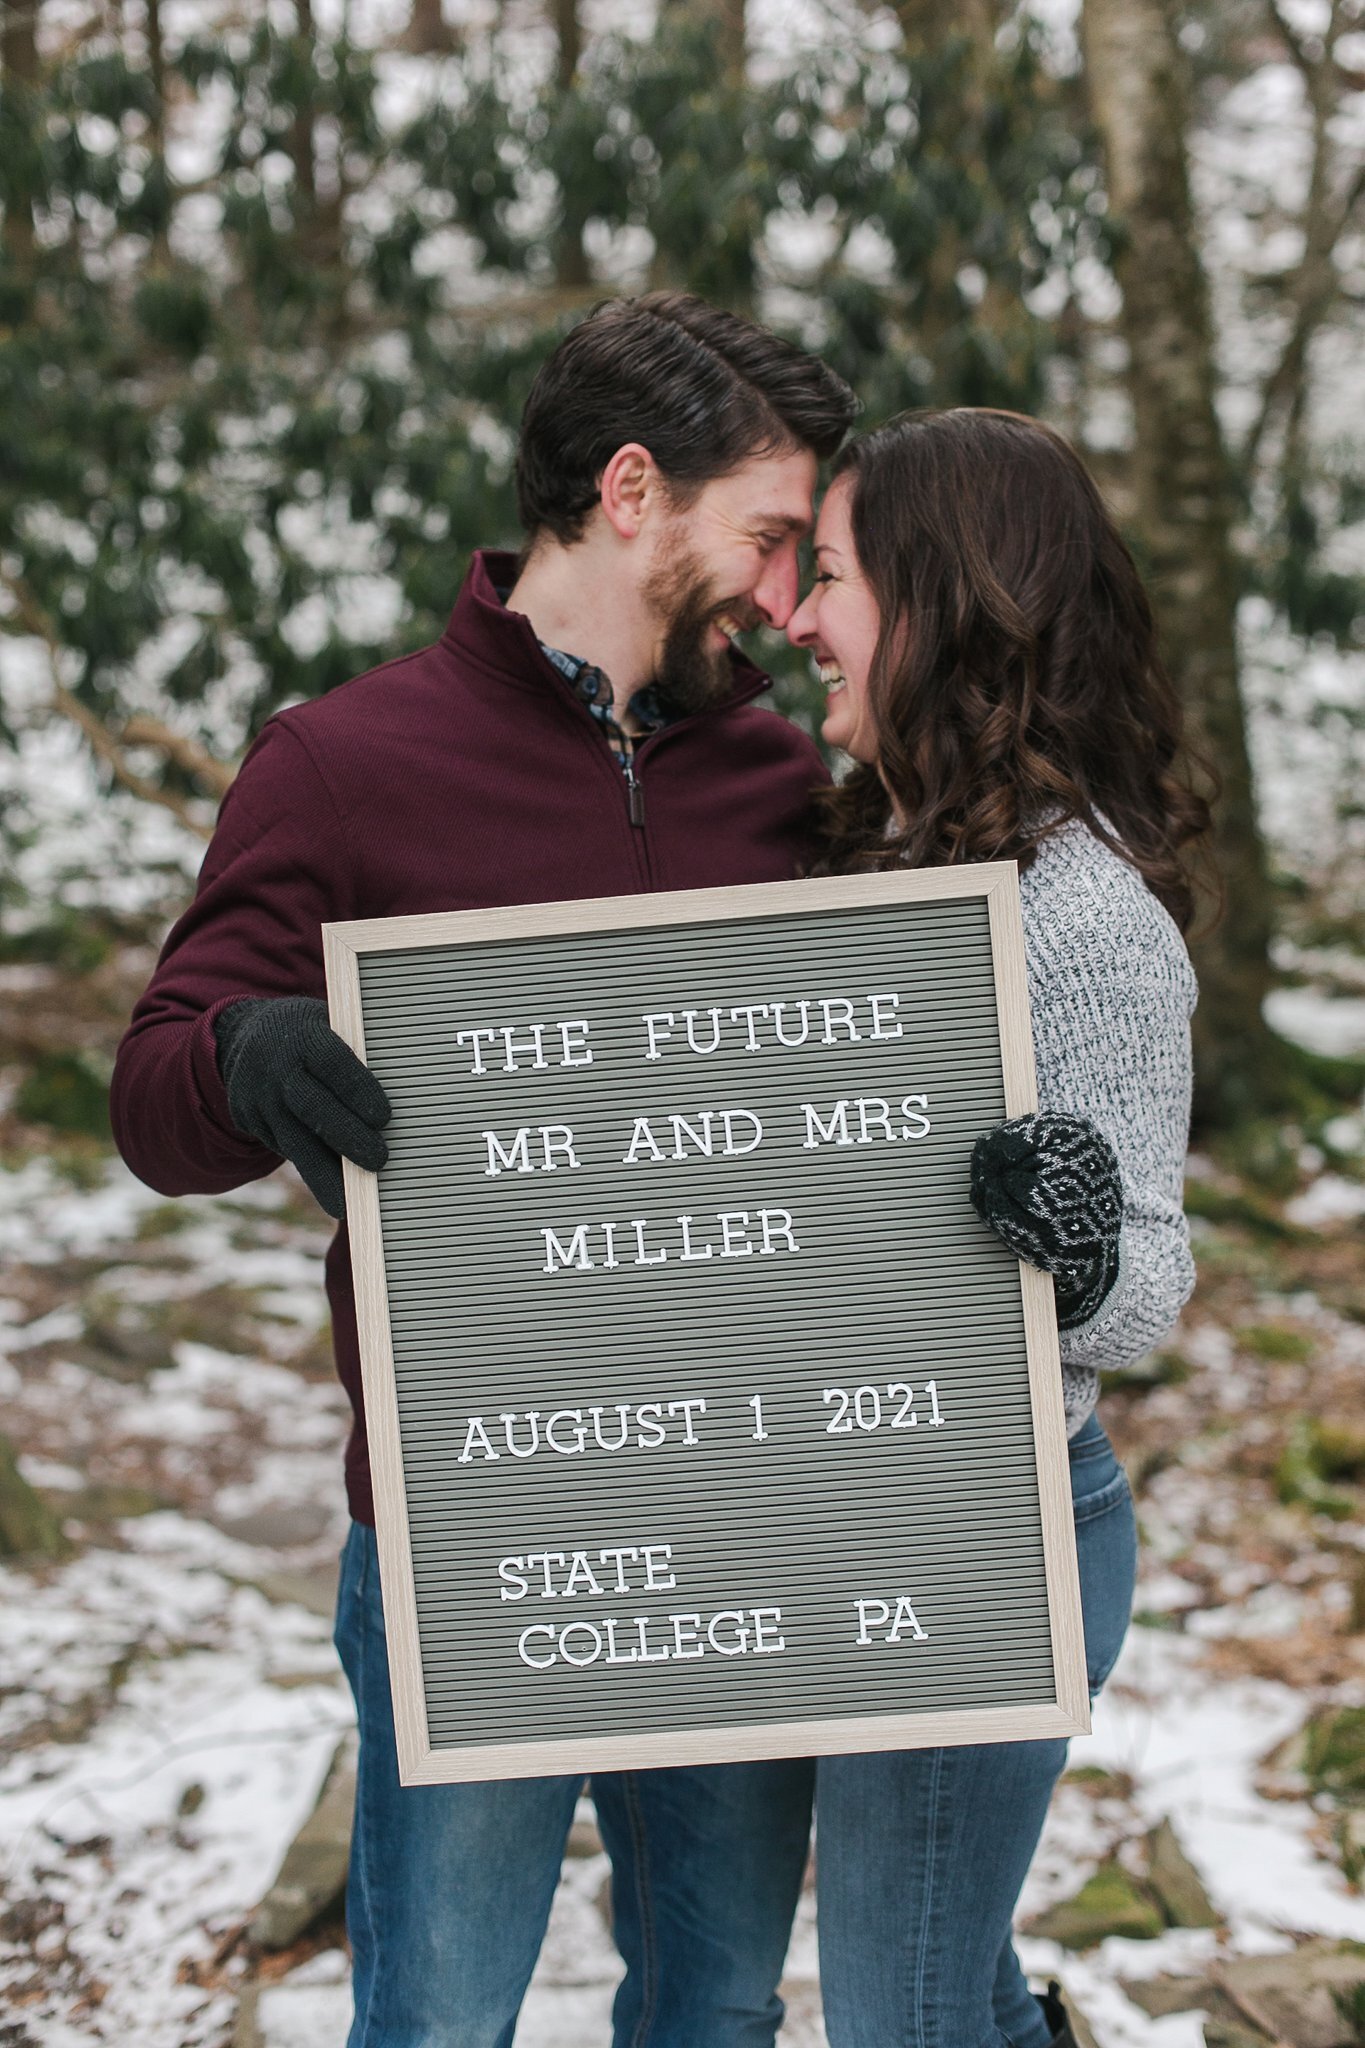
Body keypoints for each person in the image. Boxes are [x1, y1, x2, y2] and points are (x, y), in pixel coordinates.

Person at [111, 291, 859, 2048]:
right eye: (764, 536)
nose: (779, 593)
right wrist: (244, 1051)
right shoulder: (344, 763)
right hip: (475, 1538)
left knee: (720, 2015)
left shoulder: (777, 782)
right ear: (626, 493)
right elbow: (151, 1096)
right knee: (436, 2018)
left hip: (744, 1523)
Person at [785, 406, 1209, 2048]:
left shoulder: (1077, 916)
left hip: (989, 1533)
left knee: (896, 2018)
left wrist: (1079, 1239)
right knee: (937, 1989)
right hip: (861, 1504)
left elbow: (1145, 1289)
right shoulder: (879, 844)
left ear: (942, 597)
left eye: (829, 578)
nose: (797, 618)